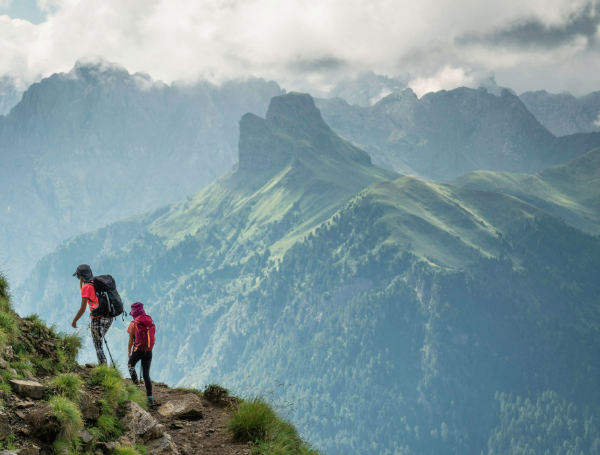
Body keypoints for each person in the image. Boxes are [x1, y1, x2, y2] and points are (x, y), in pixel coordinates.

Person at [71, 264, 113, 366]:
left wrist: (74, 321)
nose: (78, 278)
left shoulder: (86, 287)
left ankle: (103, 369)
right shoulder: (98, 283)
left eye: (78, 276)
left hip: (97, 318)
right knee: (99, 341)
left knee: (98, 345)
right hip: (109, 316)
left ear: (81, 276)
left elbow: (82, 308)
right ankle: (103, 367)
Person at [127, 302, 156, 406]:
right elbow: (154, 337)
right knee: (146, 375)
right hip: (149, 350)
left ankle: (136, 386)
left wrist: (129, 351)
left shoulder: (133, 324)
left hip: (139, 350)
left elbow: (130, 341)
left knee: (130, 365)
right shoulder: (150, 323)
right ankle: (150, 398)